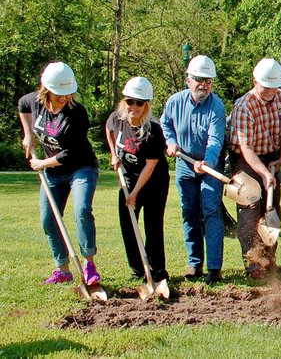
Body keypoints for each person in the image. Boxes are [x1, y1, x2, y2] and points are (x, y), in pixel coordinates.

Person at [18, 62, 102, 285]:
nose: (64, 98)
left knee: (82, 210)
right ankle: (62, 269)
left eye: (68, 93)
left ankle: (89, 264)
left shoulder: (77, 113)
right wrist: (28, 134)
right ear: (47, 89)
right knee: (48, 220)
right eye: (59, 94)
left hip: (81, 168)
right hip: (53, 174)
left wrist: (42, 163)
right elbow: (22, 104)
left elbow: (71, 153)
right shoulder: (35, 101)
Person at [161, 55, 227, 284]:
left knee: (210, 211)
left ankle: (214, 267)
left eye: (208, 81)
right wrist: (170, 142)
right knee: (189, 212)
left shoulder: (217, 106)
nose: (204, 85)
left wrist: (207, 163)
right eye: (199, 80)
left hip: (210, 165)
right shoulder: (174, 102)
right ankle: (194, 263)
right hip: (184, 165)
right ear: (188, 80)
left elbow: (215, 140)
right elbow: (166, 124)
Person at [229, 58, 281, 279]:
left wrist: (280, 160)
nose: (270, 92)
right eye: (266, 87)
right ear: (255, 81)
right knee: (250, 210)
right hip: (245, 161)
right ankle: (253, 263)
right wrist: (264, 173)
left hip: (271, 156)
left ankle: (269, 258)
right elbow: (245, 147)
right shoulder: (243, 106)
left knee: (272, 208)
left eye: (274, 87)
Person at [105, 76, 170, 282]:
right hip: (129, 178)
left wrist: (134, 195)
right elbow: (109, 130)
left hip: (154, 182)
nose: (134, 106)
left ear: (146, 105)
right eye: (130, 101)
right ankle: (137, 270)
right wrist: (114, 154)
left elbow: (150, 167)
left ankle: (158, 271)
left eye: (139, 103)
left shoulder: (153, 130)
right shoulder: (117, 118)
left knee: (152, 225)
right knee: (128, 224)